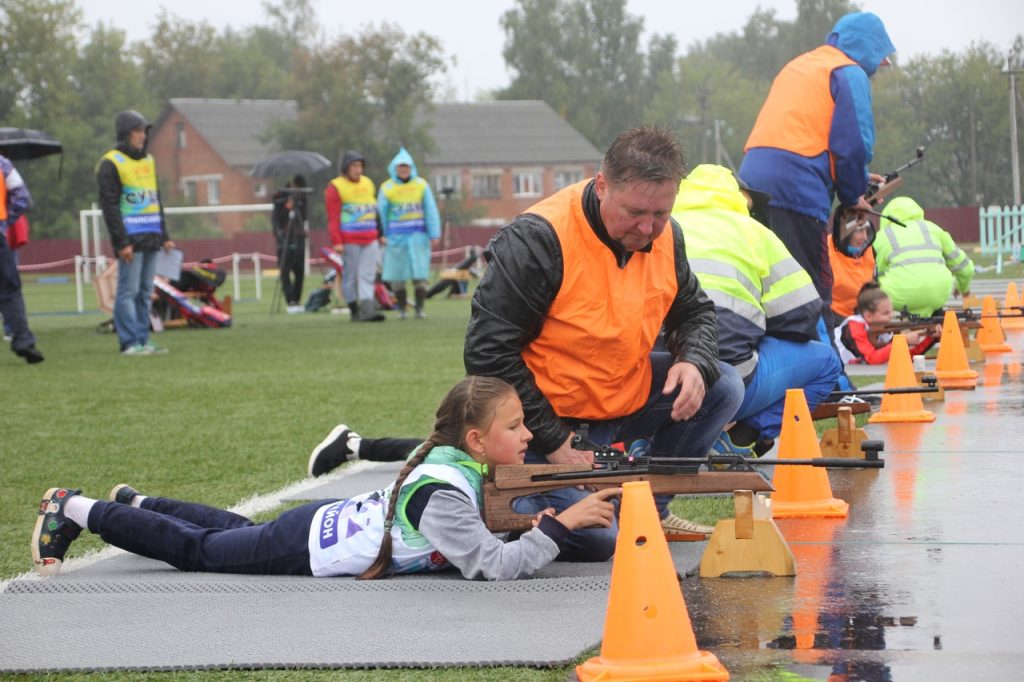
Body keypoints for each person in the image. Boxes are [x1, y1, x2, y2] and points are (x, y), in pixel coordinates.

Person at [464, 127, 745, 558]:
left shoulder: (669, 236)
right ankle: (526, 498)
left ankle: (650, 511)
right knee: (599, 541)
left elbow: (694, 311)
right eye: (635, 212)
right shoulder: (540, 239)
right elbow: (487, 352)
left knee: (722, 384)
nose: (648, 227)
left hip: (619, 400)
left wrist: (693, 360)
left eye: (661, 214)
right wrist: (556, 443)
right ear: (601, 186)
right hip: (540, 424)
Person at [32, 377, 619, 581]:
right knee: (202, 550)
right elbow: (491, 566)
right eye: (515, 427)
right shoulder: (445, 491)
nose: (526, 437)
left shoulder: (450, 459)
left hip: (316, 528)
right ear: (474, 441)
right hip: (308, 546)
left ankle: (138, 502)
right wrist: (560, 523)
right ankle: (75, 508)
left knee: (236, 528)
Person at [671, 164, 842, 457]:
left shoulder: (661, 227)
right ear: (740, 195)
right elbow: (802, 315)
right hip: (730, 382)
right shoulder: (754, 232)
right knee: (826, 363)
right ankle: (741, 438)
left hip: (664, 382)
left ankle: (645, 441)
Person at [739, 12, 896, 326]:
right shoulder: (849, 72)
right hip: (796, 189)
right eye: (879, 58)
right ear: (870, 50)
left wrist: (860, 178)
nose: (879, 67)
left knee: (766, 287)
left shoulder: (799, 66)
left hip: (750, 184)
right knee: (809, 291)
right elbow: (852, 145)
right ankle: (823, 374)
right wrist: (853, 195)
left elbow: (802, 133)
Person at [96, 110, 175, 355]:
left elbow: (155, 199)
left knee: (144, 292)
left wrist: (165, 235)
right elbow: (109, 207)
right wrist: (122, 242)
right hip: (130, 239)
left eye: (144, 131)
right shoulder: (110, 163)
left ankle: (143, 340)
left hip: (151, 236)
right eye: (138, 131)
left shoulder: (148, 161)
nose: (142, 136)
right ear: (125, 134)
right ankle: (129, 343)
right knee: (127, 292)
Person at [874, 196, 974, 318]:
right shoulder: (934, 229)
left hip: (899, 297)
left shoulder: (882, 236)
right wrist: (963, 288)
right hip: (939, 294)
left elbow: (875, 273)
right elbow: (966, 268)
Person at [377, 147, 440, 319]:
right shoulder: (387, 187)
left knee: (420, 277)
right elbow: (380, 213)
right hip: (395, 239)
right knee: (398, 279)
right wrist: (380, 234)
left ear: (411, 167)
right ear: (394, 168)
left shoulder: (421, 185)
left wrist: (434, 234)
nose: (403, 169)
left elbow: (430, 210)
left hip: (418, 237)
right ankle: (402, 310)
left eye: (406, 166)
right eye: (400, 166)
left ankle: (419, 309)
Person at [326, 150, 385, 322]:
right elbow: (333, 217)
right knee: (350, 275)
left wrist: (380, 233)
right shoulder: (335, 187)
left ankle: (367, 309)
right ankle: (354, 310)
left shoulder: (368, 183)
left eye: (360, 166)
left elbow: (374, 210)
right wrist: (337, 241)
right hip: (349, 239)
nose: (358, 169)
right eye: (354, 166)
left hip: (370, 237)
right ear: (346, 168)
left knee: (367, 274)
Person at [0, 153, 43, 363]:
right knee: (10, 291)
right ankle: (23, 340)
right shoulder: (3, 163)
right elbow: (22, 196)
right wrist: (5, 222)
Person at [835, 282, 938, 365]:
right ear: (868, 316)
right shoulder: (854, 325)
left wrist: (931, 338)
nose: (891, 316)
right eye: (886, 313)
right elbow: (872, 359)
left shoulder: (882, 328)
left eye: (891, 311)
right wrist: (903, 340)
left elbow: (904, 357)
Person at [271, 175, 309, 313]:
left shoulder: (302, 199)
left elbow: (304, 216)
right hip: (284, 238)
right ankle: (290, 300)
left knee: (299, 271)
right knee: (285, 271)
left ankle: (297, 300)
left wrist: (296, 205)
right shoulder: (279, 197)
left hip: (298, 237)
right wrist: (286, 207)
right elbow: (276, 219)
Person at [828, 220, 876, 320]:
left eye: (866, 230)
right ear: (845, 232)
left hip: (864, 315)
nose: (865, 237)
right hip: (833, 317)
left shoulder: (868, 249)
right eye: (860, 231)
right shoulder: (825, 251)